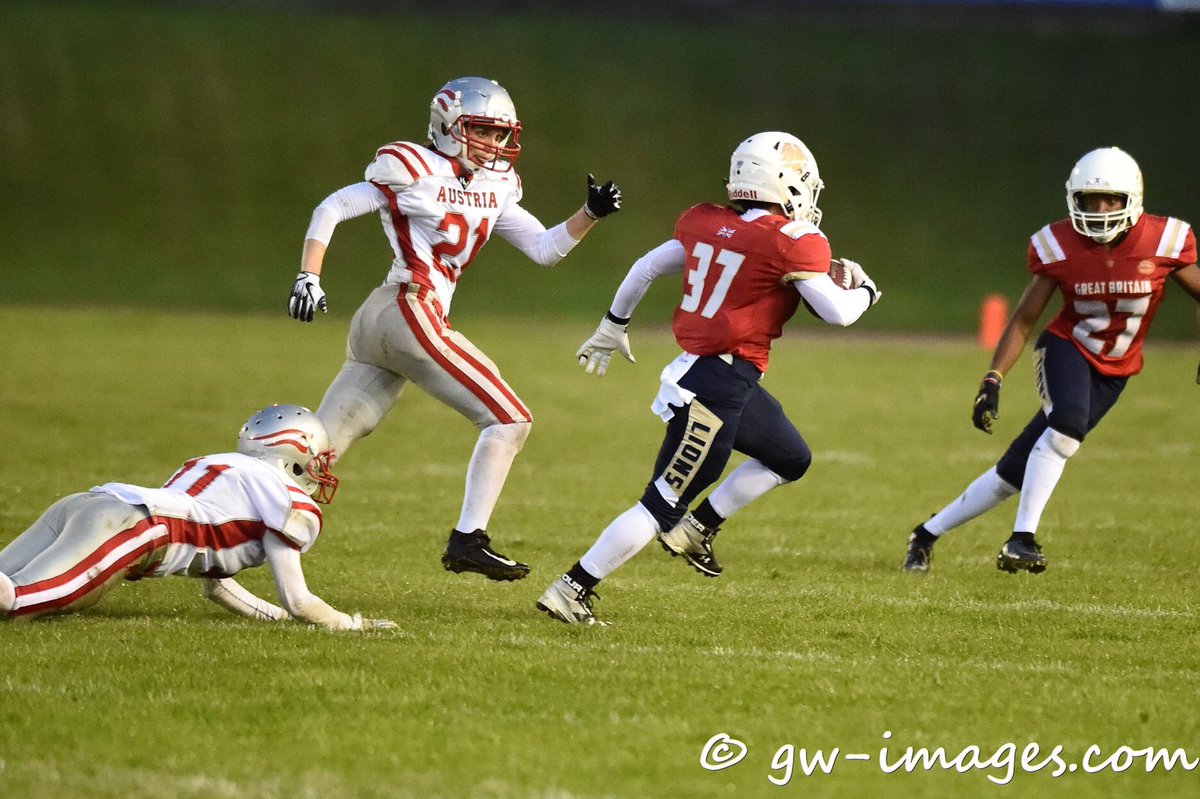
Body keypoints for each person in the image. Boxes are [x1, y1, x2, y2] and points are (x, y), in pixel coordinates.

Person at [536, 131, 883, 625]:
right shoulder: (791, 241)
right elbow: (838, 314)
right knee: (660, 504)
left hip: (723, 379)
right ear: (786, 184)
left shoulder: (708, 223)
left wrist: (614, 323)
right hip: (713, 390)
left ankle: (699, 528)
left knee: (790, 458)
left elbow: (645, 266)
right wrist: (867, 289)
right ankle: (572, 588)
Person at [286, 76, 621, 583]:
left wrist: (589, 214)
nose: (495, 144)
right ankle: (469, 541)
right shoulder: (413, 167)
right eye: (482, 130)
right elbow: (331, 206)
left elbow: (544, 249)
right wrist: (309, 274)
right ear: (447, 125)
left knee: (313, 459)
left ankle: (226, 524)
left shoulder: (496, 183)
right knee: (510, 419)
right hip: (408, 309)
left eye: (501, 134)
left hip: (385, 321)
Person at [902, 147, 1200, 574]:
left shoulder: (1165, 239)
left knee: (1013, 473)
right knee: (1067, 427)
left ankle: (925, 534)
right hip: (1067, 347)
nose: (1099, 209)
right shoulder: (1057, 245)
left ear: (1131, 198)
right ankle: (1021, 540)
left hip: (1116, 371)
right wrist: (993, 377)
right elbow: (1024, 319)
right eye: (1089, 200)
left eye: (1110, 200)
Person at [0, 405, 396, 630]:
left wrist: (273, 619)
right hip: (133, 526)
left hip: (88, 504)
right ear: (296, 456)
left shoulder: (220, 464)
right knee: (21, 601)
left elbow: (216, 587)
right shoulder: (287, 497)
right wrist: (354, 624)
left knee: (10, 578)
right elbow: (299, 601)